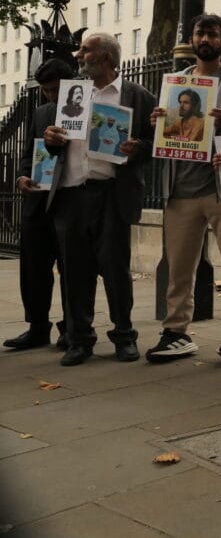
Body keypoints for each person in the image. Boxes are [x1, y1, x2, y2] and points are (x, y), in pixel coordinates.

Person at [146, 14, 221, 364]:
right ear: (192, 39)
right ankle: (176, 332)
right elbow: (170, 135)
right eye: (200, 33)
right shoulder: (177, 85)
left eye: (213, 33)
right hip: (180, 190)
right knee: (179, 268)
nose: (206, 38)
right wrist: (158, 124)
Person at [41, 34, 156, 366]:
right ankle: (79, 339)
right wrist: (50, 139)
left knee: (116, 270)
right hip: (71, 194)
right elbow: (55, 142)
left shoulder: (138, 96)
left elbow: (156, 143)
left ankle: (124, 336)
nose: (79, 55)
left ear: (107, 58)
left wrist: (139, 148)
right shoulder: (73, 93)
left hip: (111, 194)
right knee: (75, 272)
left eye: (86, 50)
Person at [4, 59, 75, 352]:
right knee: (33, 268)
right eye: (46, 90)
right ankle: (37, 327)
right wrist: (22, 176)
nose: (51, 96)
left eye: (56, 89)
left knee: (72, 269)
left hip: (69, 201)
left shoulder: (84, 111)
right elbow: (28, 153)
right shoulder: (40, 112)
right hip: (38, 201)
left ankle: (72, 328)